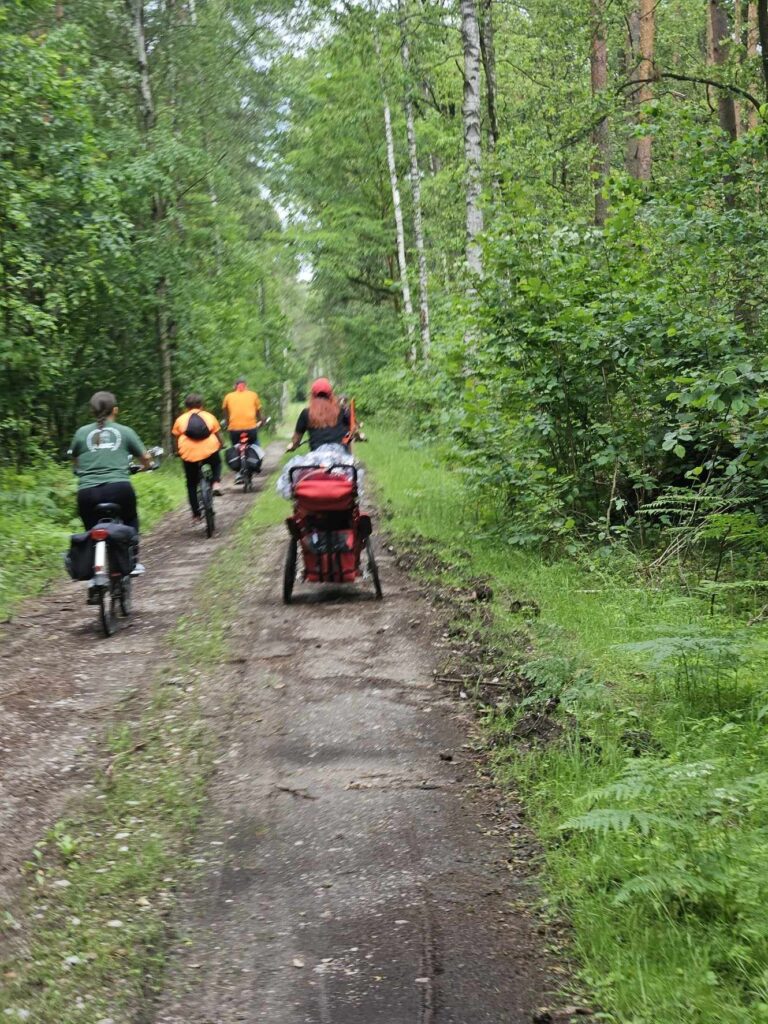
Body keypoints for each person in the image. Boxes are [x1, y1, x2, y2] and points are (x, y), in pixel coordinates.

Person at [70, 390, 152, 576]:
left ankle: (93, 568)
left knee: (91, 528)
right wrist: (146, 467)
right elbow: (145, 457)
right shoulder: (125, 431)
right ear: (115, 410)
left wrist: (81, 470)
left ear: (92, 411)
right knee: (130, 518)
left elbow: (75, 460)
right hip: (119, 489)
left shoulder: (81, 433)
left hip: (87, 492)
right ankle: (133, 560)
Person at [171, 394, 224, 525]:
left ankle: (196, 515)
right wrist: (221, 444)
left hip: (189, 453)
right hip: (209, 450)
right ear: (201, 405)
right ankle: (216, 482)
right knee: (217, 462)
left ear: (186, 407)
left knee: (191, 484)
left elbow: (176, 438)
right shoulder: (209, 416)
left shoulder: (180, 420)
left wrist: (178, 451)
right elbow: (218, 434)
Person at [287, 378, 350, 452]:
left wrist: (293, 446)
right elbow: (350, 433)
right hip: (340, 455)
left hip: (317, 455)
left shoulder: (306, 413)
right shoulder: (341, 411)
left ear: (312, 395)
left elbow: (296, 440)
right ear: (331, 395)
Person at [222, 377, 264, 447]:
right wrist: (261, 421)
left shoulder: (228, 396)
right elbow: (258, 411)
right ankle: (258, 453)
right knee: (255, 445)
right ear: (246, 386)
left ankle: (236, 452)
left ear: (235, 386)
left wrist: (227, 423)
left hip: (234, 430)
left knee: (235, 447)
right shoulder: (253, 395)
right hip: (250, 429)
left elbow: (225, 412)